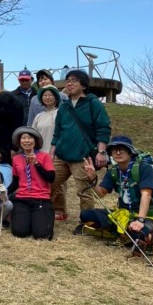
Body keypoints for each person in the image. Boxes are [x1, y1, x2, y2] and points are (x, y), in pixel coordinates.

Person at [79, 136, 153, 260]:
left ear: (130, 152)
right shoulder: (113, 171)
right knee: (86, 215)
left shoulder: (143, 168)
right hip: (124, 214)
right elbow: (100, 194)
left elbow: (146, 195)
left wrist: (140, 220)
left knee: (140, 232)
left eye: (122, 149)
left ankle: (145, 236)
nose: (118, 153)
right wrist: (93, 178)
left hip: (146, 216)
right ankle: (127, 234)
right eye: (114, 150)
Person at [49, 68, 111, 221]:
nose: (69, 84)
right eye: (68, 81)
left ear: (83, 85)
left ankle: (87, 221)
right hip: (62, 155)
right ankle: (55, 211)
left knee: (84, 191)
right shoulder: (64, 107)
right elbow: (57, 132)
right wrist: (51, 153)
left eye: (74, 81)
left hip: (82, 156)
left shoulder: (93, 103)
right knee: (51, 183)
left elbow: (103, 128)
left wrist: (101, 152)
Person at [9, 126, 55, 240]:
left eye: (30, 138)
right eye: (23, 138)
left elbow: (51, 178)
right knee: (19, 232)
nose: (26, 141)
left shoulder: (45, 156)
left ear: (36, 141)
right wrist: (3, 192)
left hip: (41, 198)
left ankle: (40, 220)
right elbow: (15, 182)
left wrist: (36, 164)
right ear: (19, 141)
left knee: (41, 235)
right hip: (22, 198)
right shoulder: (16, 159)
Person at [31, 85, 60, 153]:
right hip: (41, 154)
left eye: (50, 95)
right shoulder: (38, 116)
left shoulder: (60, 113)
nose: (47, 97)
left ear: (56, 97)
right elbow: (33, 136)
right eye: (45, 95)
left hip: (57, 154)